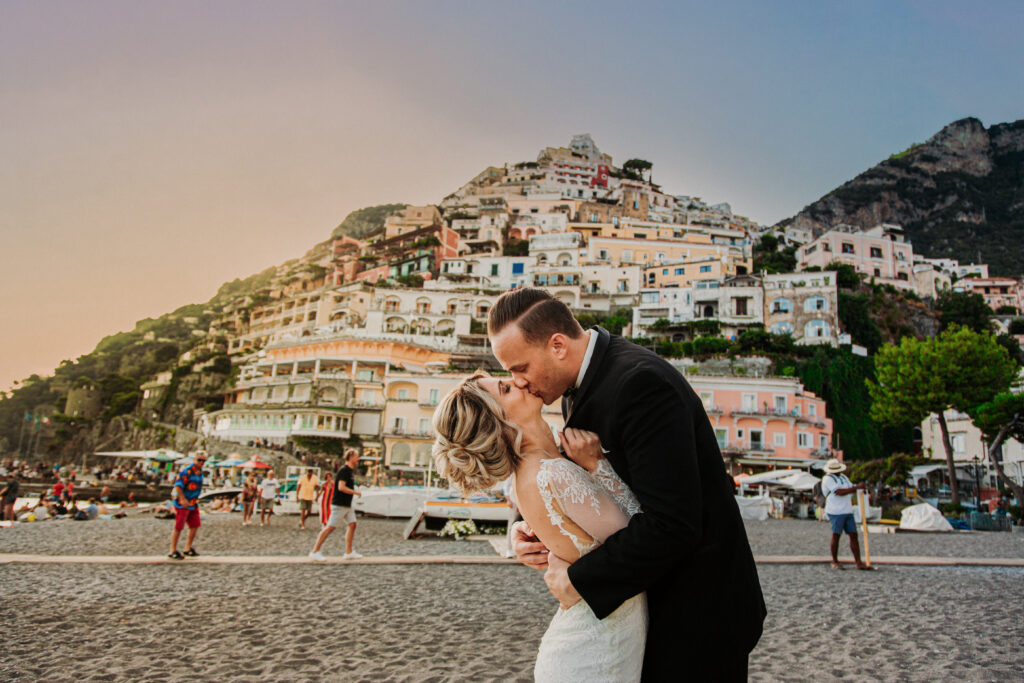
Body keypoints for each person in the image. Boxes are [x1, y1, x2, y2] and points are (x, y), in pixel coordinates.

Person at [488, 287, 765, 680]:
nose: (517, 383)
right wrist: (527, 526)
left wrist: (579, 581)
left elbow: (674, 525)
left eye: (520, 368)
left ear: (557, 345)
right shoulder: (574, 384)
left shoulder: (641, 385)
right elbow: (568, 476)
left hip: (697, 611)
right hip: (652, 606)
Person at [433, 372, 646, 680]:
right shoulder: (552, 473)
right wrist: (598, 464)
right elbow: (641, 536)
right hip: (597, 651)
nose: (518, 381)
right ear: (500, 423)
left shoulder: (543, 466)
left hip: (600, 633)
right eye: (506, 389)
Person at [309, 450, 363, 560]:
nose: (358, 459)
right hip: (339, 504)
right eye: (357, 457)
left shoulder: (350, 471)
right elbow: (341, 487)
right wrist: (355, 492)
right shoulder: (344, 470)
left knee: (352, 525)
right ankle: (315, 551)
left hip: (347, 504)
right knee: (330, 527)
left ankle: (349, 552)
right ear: (351, 457)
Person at [820, 458, 871, 570]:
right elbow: (839, 492)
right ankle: (835, 561)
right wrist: (856, 487)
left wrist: (859, 487)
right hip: (835, 511)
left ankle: (858, 562)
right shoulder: (827, 479)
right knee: (836, 535)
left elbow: (850, 487)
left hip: (847, 510)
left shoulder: (843, 477)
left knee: (853, 535)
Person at [168, 452, 207, 559]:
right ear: (194, 460)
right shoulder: (187, 471)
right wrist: (182, 498)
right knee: (179, 526)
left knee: (195, 525)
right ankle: (172, 550)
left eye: (203, 461)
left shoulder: (200, 472)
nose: (201, 462)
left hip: (193, 502)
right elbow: (178, 485)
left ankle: (187, 548)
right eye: (199, 460)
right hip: (183, 503)